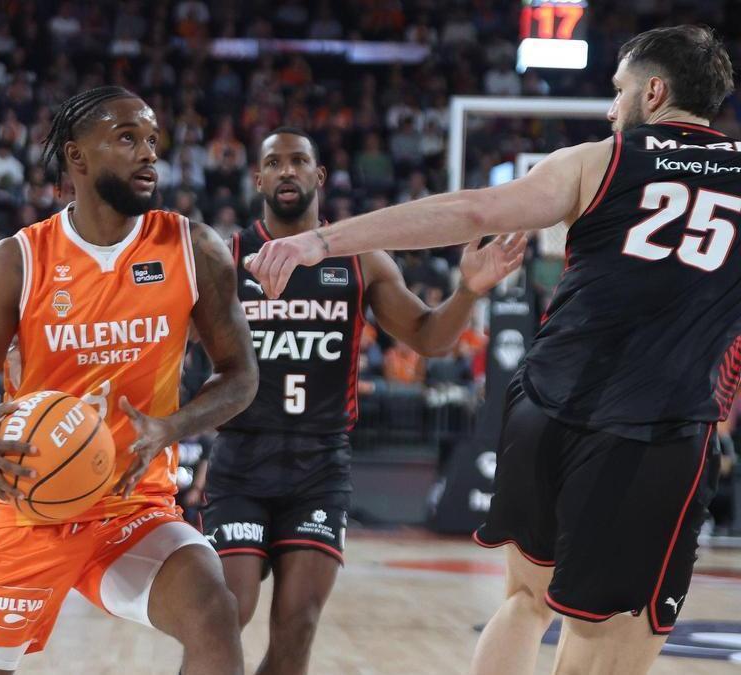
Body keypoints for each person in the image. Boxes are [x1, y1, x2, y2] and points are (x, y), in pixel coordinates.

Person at [247, 25, 734, 675]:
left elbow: (476, 211)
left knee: (525, 600)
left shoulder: (598, 160)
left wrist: (320, 241)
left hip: (542, 409)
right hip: (652, 428)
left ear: (655, 90)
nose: (611, 109)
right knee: (607, 638)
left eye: (618, 93)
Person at [0, 86, 258, 675]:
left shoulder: (193, 248)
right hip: (34, 502)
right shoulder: (18, 261)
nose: (148, 154)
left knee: (214, 612)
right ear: (77, 157)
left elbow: (241, 376)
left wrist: (170, 427)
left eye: (152, 140)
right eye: (127, 138)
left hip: (135, 505)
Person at [204, 128, 524, 675]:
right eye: (274, 163)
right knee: (226, 613)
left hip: (320, 466)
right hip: (242, 459)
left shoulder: (362, 260)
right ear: (256, 178)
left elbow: (429, 338)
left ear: (318, 176)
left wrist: (468, 291)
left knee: (298, 626)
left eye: (299, 161)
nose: (286, 171)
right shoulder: (229, 258)